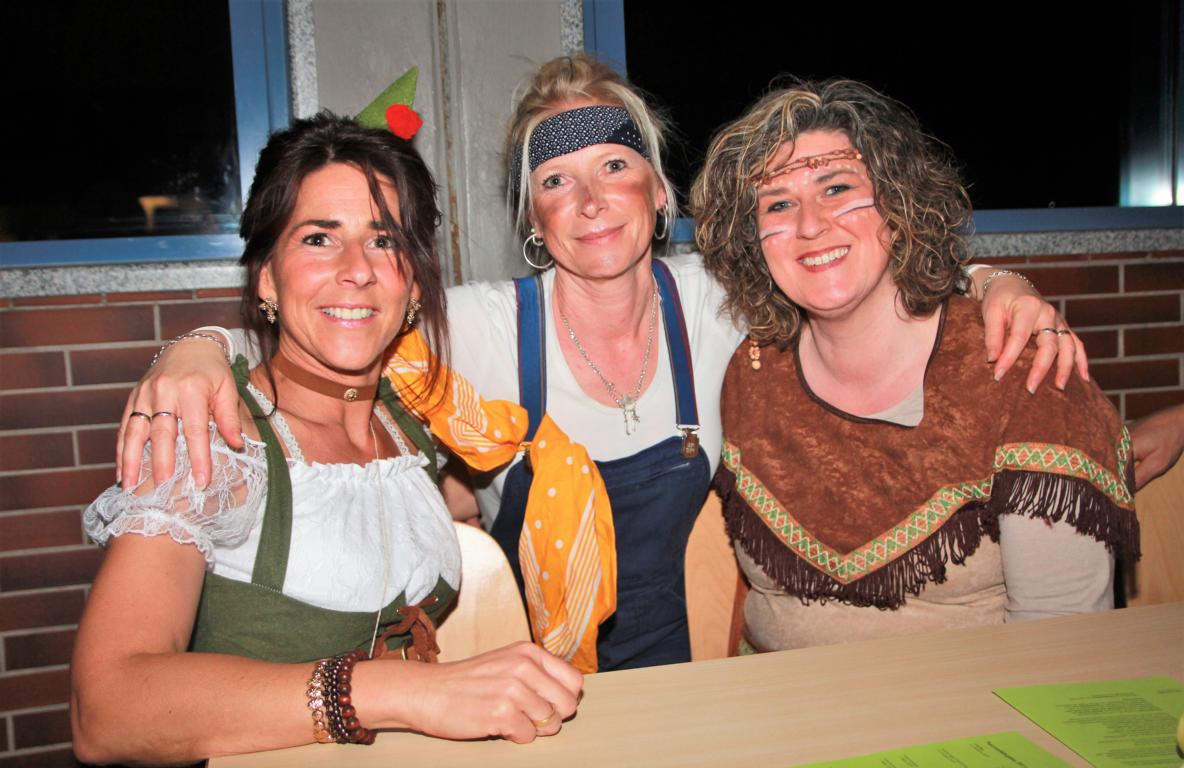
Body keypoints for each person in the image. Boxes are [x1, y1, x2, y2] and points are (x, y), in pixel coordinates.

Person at [112, 57, 1080, 671]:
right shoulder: (478, 329)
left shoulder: (719, 302)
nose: (590, 200)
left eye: (615, 167)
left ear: (658, 194)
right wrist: (201, 348)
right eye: (555, 180)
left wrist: (994, 283)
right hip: (537, 692)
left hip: (702, 682)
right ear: (532, 219)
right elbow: (337, 325)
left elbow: (848, 265)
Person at [71, 114, 581, 765]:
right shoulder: (215, 438)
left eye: (383, 240)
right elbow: (106, 710)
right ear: (266, 276)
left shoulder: (411, 419)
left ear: (413, 282)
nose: (356, 270)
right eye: (318, 238)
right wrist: (395, 692)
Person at [693, 79, 1139, 651]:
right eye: (778, 203)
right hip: (769, 699)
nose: (809, 225)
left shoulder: (1017, 364)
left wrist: (999, 279)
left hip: (973, 703)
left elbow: (1060, 647)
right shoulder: (753, 370)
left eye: (837, 188)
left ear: (899, 205)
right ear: (752, 240)